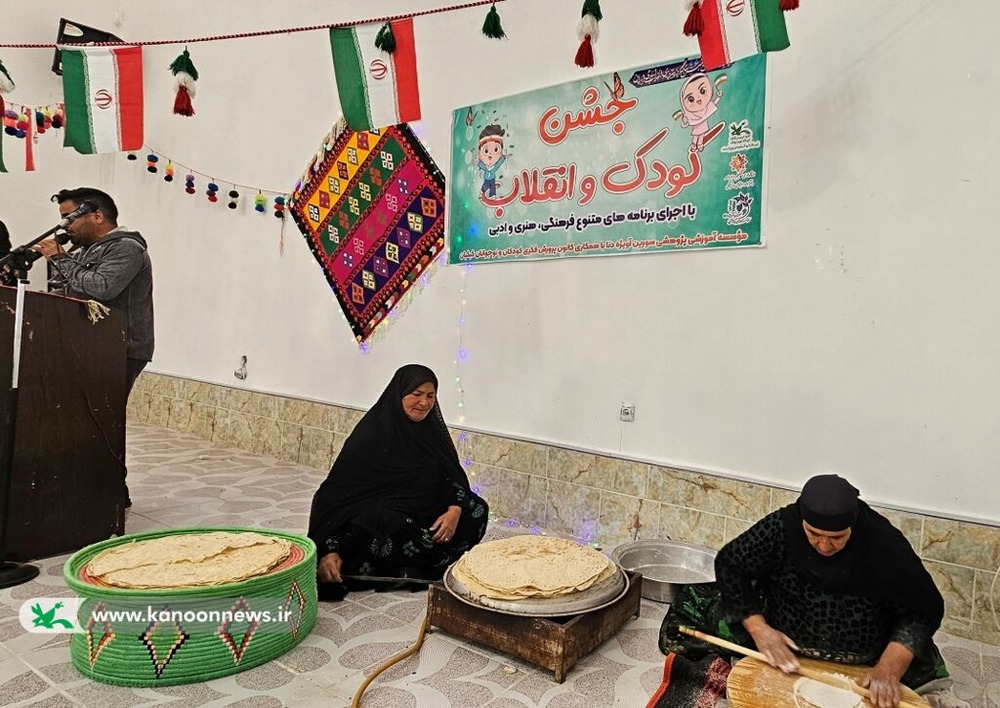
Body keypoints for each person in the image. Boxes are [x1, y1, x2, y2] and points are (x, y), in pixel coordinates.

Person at [660, 474, 968, 708]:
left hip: (869, 649)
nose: (824, 545)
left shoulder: (883, 543)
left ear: (853, 527)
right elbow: (731, 564)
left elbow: (925, 607)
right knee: (708, 608)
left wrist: (890, 666)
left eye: (836, 537)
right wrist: (760, 630)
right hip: (789, 635)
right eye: (814, 534)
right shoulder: (781, 528)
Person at [308, 364, 489, 599]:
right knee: (382, 527)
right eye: (417, 394)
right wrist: (329, 550)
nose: (424, 403)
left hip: (425, 512)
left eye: (430, 396)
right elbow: (332, 497)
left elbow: (450, 479)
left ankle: (428, 563)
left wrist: (454, 510)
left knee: (476, 508)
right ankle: (409, 566)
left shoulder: (431, 433)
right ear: (399, 394)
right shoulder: (370, 434)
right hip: (388, 519)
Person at [33, 188, 154, 509]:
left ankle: (111, 493)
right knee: (84, 420)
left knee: (103, 420)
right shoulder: (85, 250)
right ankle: (86, 486)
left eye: (69, 218)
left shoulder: (126, 248)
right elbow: (70, 292)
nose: (64, 226)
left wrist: (61, 259)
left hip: (120, 348)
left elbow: (102, 287)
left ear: (97, 216)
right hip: (86, 346)